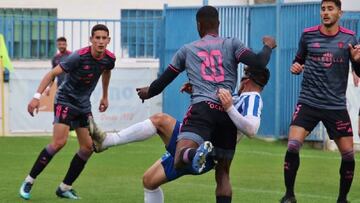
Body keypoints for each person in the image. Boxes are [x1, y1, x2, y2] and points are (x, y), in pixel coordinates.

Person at [136, 5, 276, 203]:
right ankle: (201, 155)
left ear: (198, 25)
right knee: (223, 174)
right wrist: (268, 45)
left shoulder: (188, 49)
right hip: (226, 112)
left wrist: (147, 92)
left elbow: (163, 81)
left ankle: (195, 152)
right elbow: (259, 62)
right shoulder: (233, 44)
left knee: (180, 158)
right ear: (218, 24)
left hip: (203, 109)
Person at [89, 66, 270, 203]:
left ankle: (107, 140)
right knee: (149, 181)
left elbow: (252, 128)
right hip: (203, 149)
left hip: (201, 144)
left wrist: (229, 107)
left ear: (246, 79)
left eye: (244, 74)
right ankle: (192, 155)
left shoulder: (252, 98)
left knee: (160, 120)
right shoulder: (240, 97)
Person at [19, 24, 116, 200]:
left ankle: (64, 187)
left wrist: (105, 96)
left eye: (104, 38)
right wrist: (36, 97)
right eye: (97, 38)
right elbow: (51, 74)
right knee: (59, 143)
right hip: (65, 100)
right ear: (91, 39)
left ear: (108, 40)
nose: (101, 41)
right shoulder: (77, 57)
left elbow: (106, 72)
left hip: (83, 105)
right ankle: (29, 181)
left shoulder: (109, 59)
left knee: (87, 148)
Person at [280, 1, 360, 203]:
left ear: (339, 13)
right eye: (323, 9)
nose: (325, 12)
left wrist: (358, 61)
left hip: (335, 106)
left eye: (330, 9)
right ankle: (289, 195)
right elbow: (298, 60)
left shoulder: (350, 38)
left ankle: (342, 199)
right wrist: (296, 66)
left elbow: (359, 73)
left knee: (349, 156)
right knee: (292, 146)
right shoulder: (308, 35)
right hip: (309, 102)